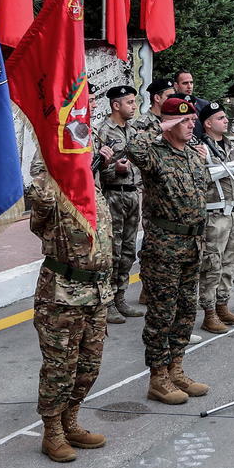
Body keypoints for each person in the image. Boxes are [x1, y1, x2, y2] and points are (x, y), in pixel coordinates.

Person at [27, 158, 113, 462]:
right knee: (59, 368)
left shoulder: (93, 187)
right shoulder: (51, 190)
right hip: (62, 294)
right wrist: (54, 166)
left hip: (96, 293)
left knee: (89, 366)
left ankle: (70, 421)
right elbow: (39, 200)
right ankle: (52, 432)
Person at [126, 98, 209, 406]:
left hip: (192, 245)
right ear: (169, 124)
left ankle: (176, 369)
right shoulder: (153, 153)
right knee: (162, 313)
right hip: (164, 247)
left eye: (192, 121)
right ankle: (158, 377)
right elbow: (132, 148)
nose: (191, 125)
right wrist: (160, 127)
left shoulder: (193, 155)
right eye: (183, 121)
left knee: (186, 311)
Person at [93, 85, 145, 324]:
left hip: (133, 195)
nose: (134, 107)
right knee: (112, 252)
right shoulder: (103, 131)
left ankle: (121, 296)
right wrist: (116, 169)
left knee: (128, 251)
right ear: (116, 105)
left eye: (134, 102)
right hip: (114, 195)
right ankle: (109, 302)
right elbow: (97, 170)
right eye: (130, 102)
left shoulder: (133, 130)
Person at [197, 102, 234, 333]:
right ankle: (209, 313)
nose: (226, 120)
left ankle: (222, 306)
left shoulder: (231, 144)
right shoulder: (200, 147)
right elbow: (199, 177)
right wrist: (224, 169)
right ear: (208, 123)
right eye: (220, 118)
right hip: (214, 214)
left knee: (230, 263)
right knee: (212, 265)